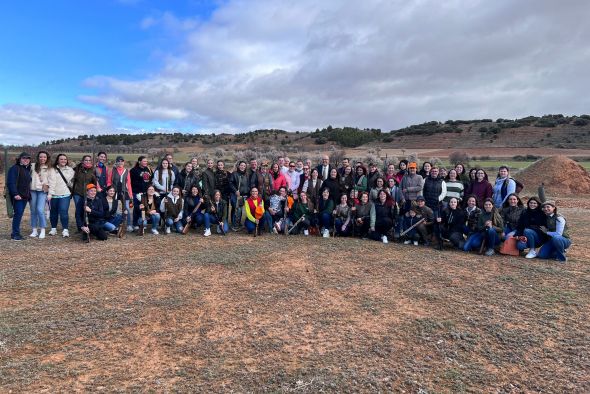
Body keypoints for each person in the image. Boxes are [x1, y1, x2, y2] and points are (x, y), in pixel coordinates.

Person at [48, 153, 74, 237]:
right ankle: (53, 229)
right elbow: (51, 182)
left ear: (67, 161)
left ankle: (65, 230)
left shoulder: (70, 170)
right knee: (53, 212)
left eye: (65, 159)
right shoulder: (52, 169)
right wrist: (50, 193)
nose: (63, 161)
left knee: (63, 212)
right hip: (54, 194)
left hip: (65, 194)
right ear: (58, 160)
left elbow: (71, 183)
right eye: (61, 159)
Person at [7, 152, 32, 240]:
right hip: (18, 196)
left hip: (25, 196)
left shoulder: (27, 169)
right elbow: (11, 182)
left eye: (28, 158)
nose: (26, 160)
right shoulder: (15, 168)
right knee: (18, 214)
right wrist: (15, 194)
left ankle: (16, 233)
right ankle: (15, 234)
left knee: (19, 214)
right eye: (24, 158)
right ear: (20, 159)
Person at [72, 155, 97, 232]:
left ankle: (86, 226)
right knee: (78, 210)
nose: (88, 162)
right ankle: (80, 227)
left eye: (89, 160)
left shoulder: (93, 170)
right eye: (86, 160)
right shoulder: (77, 169)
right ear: (82, 161)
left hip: (87, 193)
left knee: (86, 210)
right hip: (77, 192)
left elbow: (94, 182)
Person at [29, 151, 50, 239]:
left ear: (47, 158)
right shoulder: (32, 166)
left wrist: (50, 192)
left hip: (42, 191)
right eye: (41, 157)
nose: (42, 159)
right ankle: (34, 230)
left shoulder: (49, 168)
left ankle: (42, 229)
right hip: (33, 190)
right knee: (33, 210)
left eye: (44, 157)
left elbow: (52, 180)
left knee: (40, 210)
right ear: (38, 157)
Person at [109, 156, 134, 232]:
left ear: (124, 162)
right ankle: (115, 225)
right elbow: (109, 181)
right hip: (115, 192)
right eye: (119, 161)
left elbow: (128, 183)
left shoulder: (126, 171)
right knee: (115, 208)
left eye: (122, 161)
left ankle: (129, 225)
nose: (120, 162)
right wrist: (110, 190)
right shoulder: (113, 170)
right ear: (116, 162)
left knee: (126, 208)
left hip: (124, 191)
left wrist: (130, 194)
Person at [130, 156, 153, 228]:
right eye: (144, 161)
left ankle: (142, 222)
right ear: (139, 162)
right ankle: (135, 224)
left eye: (146, 161)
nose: (146, 162)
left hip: (146, 192)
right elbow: (130, 182)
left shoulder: (148, 169)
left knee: (145, 207)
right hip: (136, 192)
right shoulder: (133, 170)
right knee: (137, 208)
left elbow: (151, 179)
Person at [229, 161, 249, 230]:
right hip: (236, 195)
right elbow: (230, 183)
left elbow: (247, 185)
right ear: (239, 166)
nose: (242, 167)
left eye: (244, 166)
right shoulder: (234, 174)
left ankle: (238, 223)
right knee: (236, 209)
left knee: (240, 209)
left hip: (243, 195)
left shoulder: (246, 174)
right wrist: (235, 191)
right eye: (241, 165)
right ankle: (235, 225)